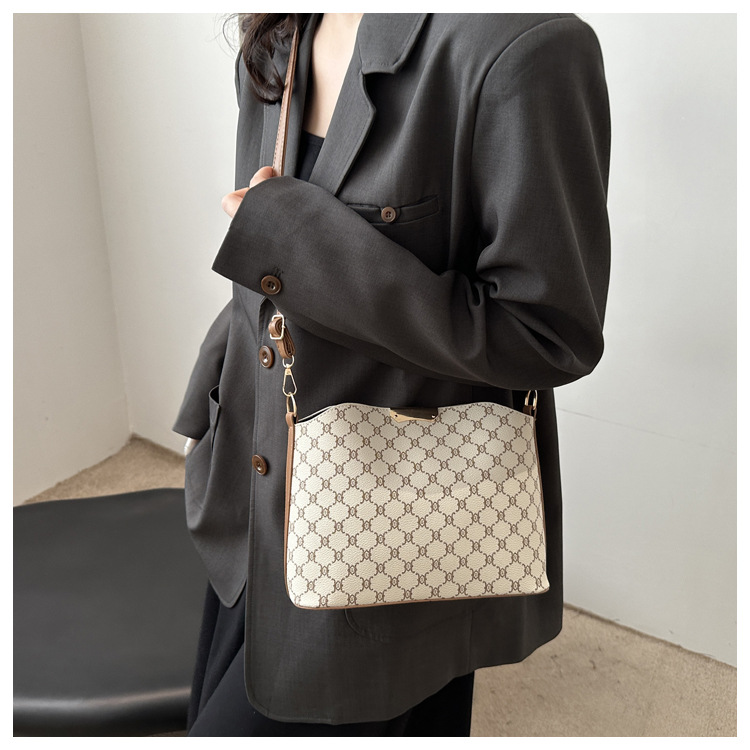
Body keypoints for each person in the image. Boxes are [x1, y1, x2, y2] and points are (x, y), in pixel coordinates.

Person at [174, 12, 611, 737]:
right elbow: (265, 283)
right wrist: (204, 405)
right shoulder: (279, 37)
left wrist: (297, 239)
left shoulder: (523, 49)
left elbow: (546, 335)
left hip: (391, 537)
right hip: (250, 497)